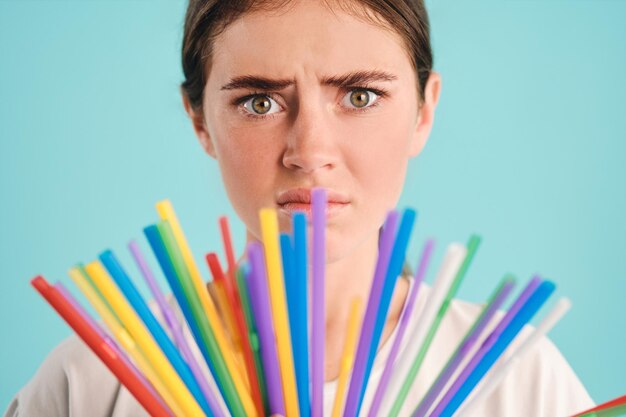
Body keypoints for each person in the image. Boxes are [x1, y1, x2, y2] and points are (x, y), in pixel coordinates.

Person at [4, 0, 595, 416]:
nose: (310, 152)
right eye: (259, 101)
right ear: (199, 120)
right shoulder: (93, 380)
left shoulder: (518, 377)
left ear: (423, 110)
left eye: (360, 96)